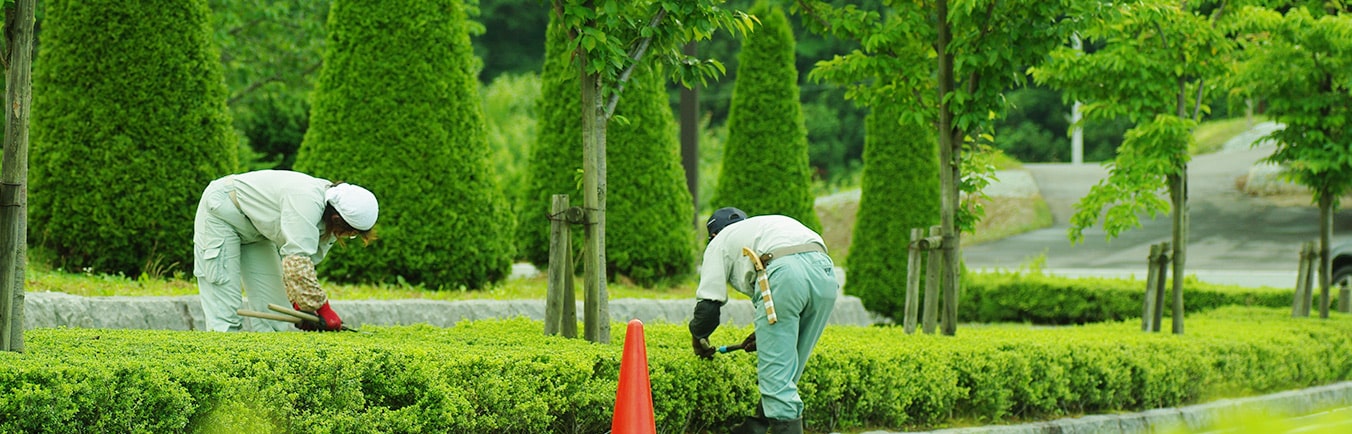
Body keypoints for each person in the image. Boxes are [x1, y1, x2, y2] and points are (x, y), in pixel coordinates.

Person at [689, 207, 838, 434]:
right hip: (825, 273)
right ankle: (753, 428)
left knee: (776, 376)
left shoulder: (719, 242)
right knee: (787, 369)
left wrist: (698, 339)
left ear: (713, 235)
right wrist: (764, 334)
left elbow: (708, 305)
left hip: (783, 273)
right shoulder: (763, 227)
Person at [192, 170, 378, 332]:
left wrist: (302, 306)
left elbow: (301, 267)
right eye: (350, 233)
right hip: (222, 212)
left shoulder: (329, 214)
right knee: (226, 314)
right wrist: (322, 309)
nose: (346, 236)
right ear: (337, 218)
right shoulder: (306, 201)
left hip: (257, 229)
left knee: (273, 314)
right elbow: (296, 261)